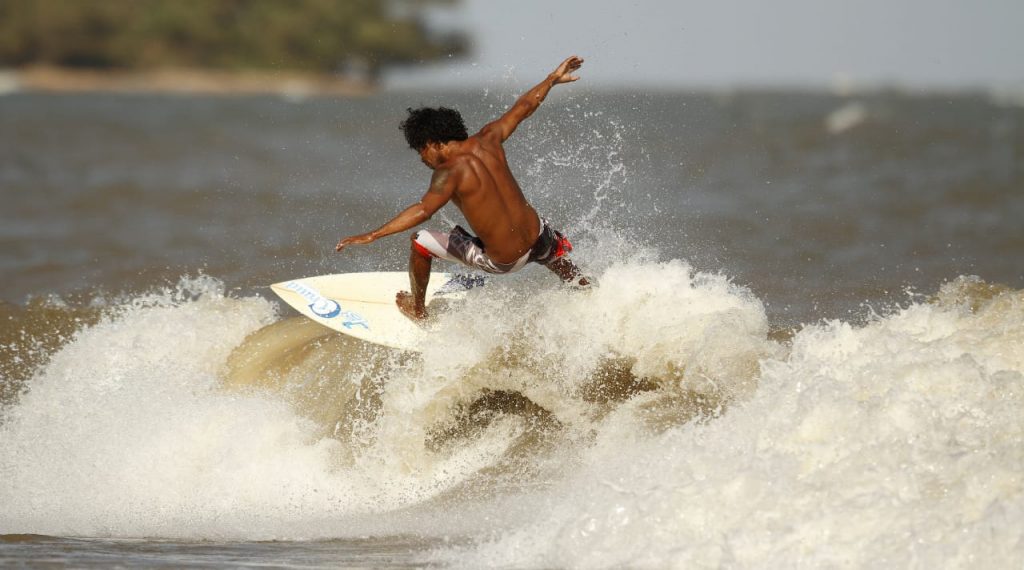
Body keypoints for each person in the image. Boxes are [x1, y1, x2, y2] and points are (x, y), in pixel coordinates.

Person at [336, 55, 590, 320]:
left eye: (421, 152)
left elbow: (423, 210)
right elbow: (524, 106)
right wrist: (551, 79)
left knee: (420, 243)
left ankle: (418, 309)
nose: (423, 160)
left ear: (432, 144)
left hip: (506, 260)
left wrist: (374, 235)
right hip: (540, 236)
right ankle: (587, 290)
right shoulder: (490, 137)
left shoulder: (449, 173)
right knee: (548, 249)